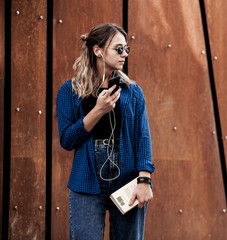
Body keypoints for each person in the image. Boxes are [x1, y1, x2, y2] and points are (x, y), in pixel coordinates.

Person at [56, 23, 155, 240]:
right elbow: (66, 140)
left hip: (128, 181)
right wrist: (98, 110)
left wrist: (144, 180)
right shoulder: (70, 91)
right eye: (118, 49)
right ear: (97, 50)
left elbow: (143, 138)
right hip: (86, 182)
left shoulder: (132, 92)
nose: (124, 54)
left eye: (126, 49)